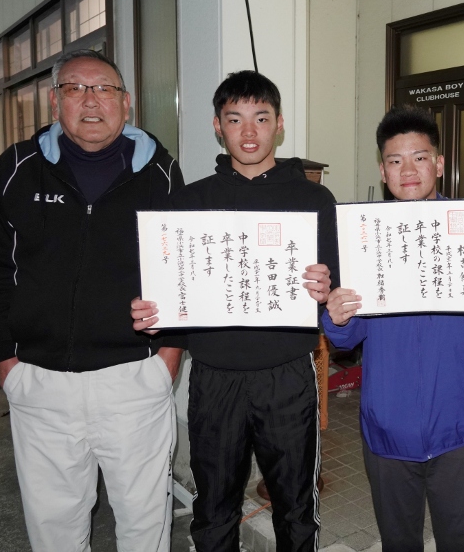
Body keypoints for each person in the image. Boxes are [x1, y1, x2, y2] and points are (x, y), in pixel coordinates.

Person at [0, 49, 184, 552]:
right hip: (40, 382)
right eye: (75, 88)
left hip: (134, 381)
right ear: (56, 102)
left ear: (125, 103)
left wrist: (169, 356)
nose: (91, 101)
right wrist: (6, 360)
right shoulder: (17, 169)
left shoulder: (161, 173)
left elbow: (182, 270)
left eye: (104, 89)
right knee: (55, 529)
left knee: (145, 523)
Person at [131, 70, 336, 552]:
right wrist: (153, 312)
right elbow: (170, 287)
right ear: (217, 126)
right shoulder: (189, 202)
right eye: (235, 118)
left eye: (261, 118)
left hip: (288, 375)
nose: (248, 131)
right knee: (214, 508)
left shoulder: (313, 199)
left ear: (279, 124)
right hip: (214, 377)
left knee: (296, 507)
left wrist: (328, 288)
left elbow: (338, 287)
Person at [322, 105, 464, 552]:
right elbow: (347, 337)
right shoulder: (365, 239)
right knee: (399, 543)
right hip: (387, 429)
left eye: (420, 157)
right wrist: (336, 315)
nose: (408, 170)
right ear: (382, 171)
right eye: (395, 161)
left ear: (439, 163)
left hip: (461, 428)